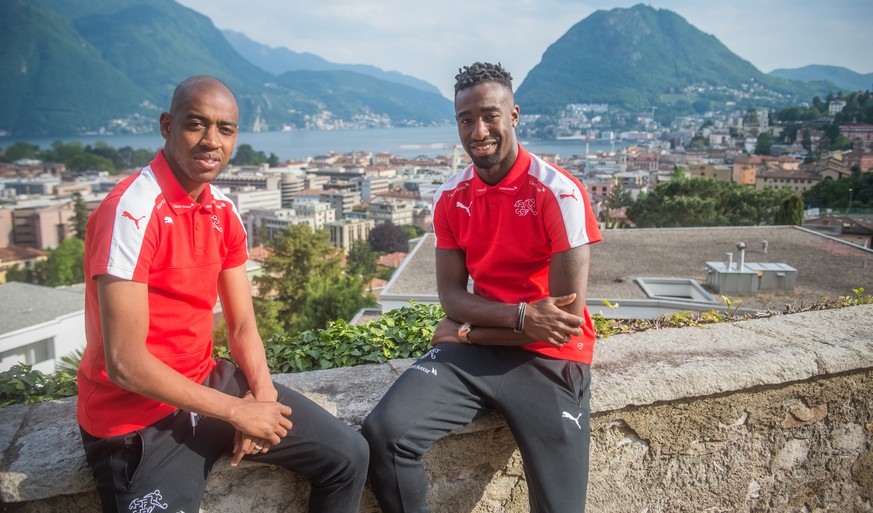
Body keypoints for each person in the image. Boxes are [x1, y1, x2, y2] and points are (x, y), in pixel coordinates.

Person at [77, 75, 368, 513]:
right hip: (135, 418)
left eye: (225, 129)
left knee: (349, 456)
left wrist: (262, 399)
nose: (211, 140)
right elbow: (125, 363)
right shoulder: (130, 213)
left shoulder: (222, 211)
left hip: (207, 384)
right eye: (196, 124)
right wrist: (236, 412)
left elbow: (244, 326)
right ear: (166, 126)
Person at [362, 62, 602, 512]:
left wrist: (468, 331)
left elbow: (562, 324)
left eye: (490, 115)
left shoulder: (559, 194)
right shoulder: (451, 197)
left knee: (560, 506)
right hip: (479, 351)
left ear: (514, 115)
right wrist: (519, 317)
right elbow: (451, 298)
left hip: (547, 360)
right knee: (384, 435)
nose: (478, 130)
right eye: (466, 119)